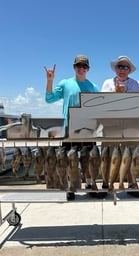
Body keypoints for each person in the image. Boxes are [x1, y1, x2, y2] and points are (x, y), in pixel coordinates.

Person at [44, 54, 99, 197]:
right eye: (79, 66)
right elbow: (49, 99)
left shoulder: (94, 87)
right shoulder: (65, 83)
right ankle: (70, 187)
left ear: (88, 69)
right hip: (69, 128)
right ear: (74, 67)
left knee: (88, 159)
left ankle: (89, 184)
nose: (81, 68)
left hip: (88, 129)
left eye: (84, 66)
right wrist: (50, 80)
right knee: (68, 159)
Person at [101, 55, 139, 197]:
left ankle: (131, 183)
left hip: (131, 126)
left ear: (129, 70)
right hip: (111, 125)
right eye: (120, 66)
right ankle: (107, 183)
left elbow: (138, 105)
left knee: (131, 155)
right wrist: (116, 95)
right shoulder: (107, 83)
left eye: (125, 67)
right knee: (108, 154)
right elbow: (102, 104)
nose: (122, 70)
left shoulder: (136, 85)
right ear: (115, 68)